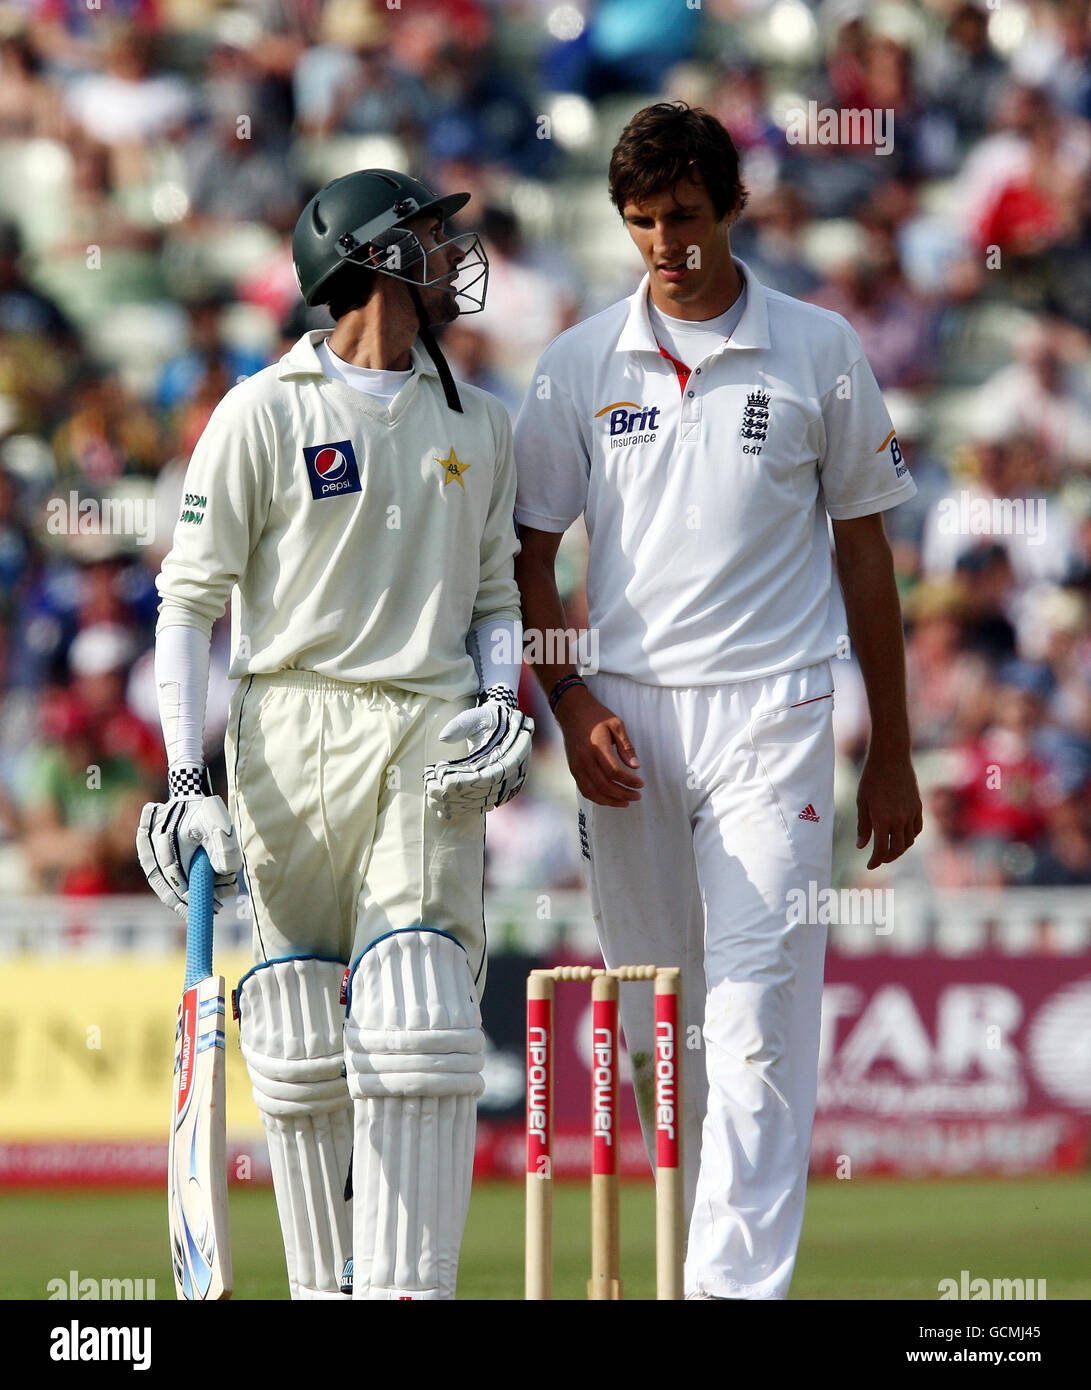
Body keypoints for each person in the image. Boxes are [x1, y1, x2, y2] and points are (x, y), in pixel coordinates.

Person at [513, 102, 923, 1300]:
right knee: (660, 1035)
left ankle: (732, 1294)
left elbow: (864, 556)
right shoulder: (576, 363)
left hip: (773, 715)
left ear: (732, 207)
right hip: (625, 720)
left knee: (753, 1020)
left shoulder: (816, 347)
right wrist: (568, 691)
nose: (663, 245)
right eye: (639, 222)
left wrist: (888, 751)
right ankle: (691, 1267)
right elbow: (533, 558)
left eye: (683, 217)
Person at [137, 168, 532, 1300]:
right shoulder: (264, 411)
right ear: (364, 257)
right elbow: (189, 600)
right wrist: (182, 777)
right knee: (300, 1032)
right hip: (285, 730)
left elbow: (498, 597)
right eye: (423, 232)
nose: (449, 250)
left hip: (426, 727)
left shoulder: (480, 421)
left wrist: (500, 706)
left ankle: (408, 1293)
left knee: (419, 1009)